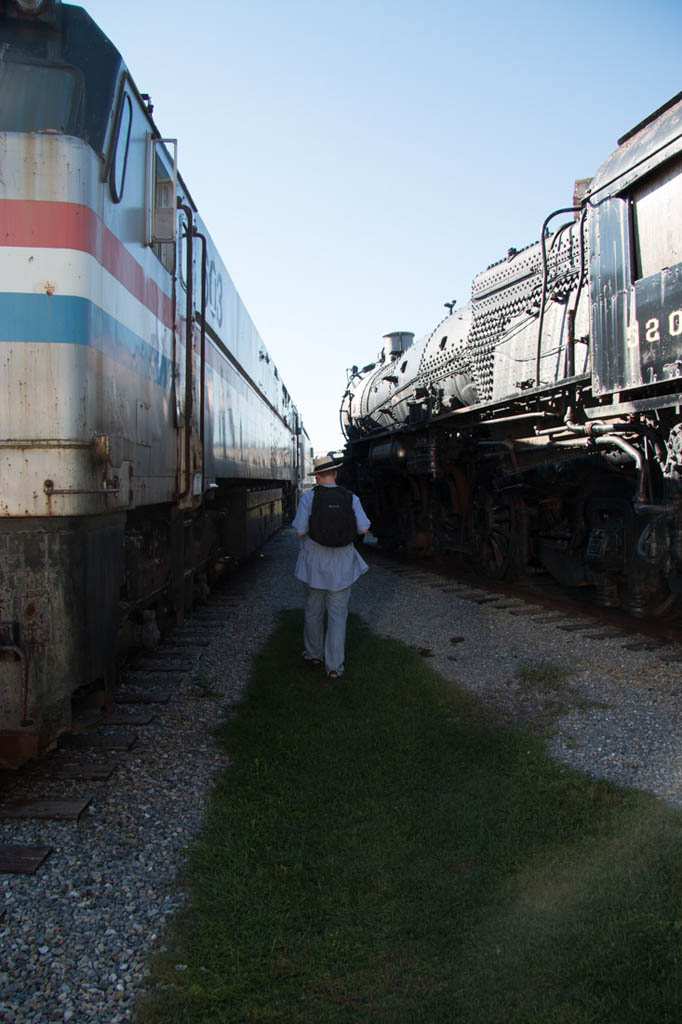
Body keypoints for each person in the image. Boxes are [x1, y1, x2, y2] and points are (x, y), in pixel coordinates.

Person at [291, 454, 370, 679]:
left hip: (314, 564)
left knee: (313, 610)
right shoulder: (350, 498)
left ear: (317, 477)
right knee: (337, 615)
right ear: (335, 474)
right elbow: (364, 529)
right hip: (342, 565)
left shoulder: (308, 499)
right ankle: (334, 667)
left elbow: (299, 531)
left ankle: (314, 653)